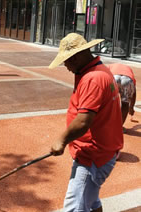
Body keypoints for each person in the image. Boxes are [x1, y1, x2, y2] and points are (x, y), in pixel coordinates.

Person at [48, 33, 123, 212]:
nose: (65, 65)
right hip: (100, 150)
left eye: (66, 60)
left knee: (75, 207)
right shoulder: (98, 70)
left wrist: (62, 140)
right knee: (91, 199)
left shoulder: (92, 79)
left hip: (93, 155)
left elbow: (83, 122)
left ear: (76, 57)